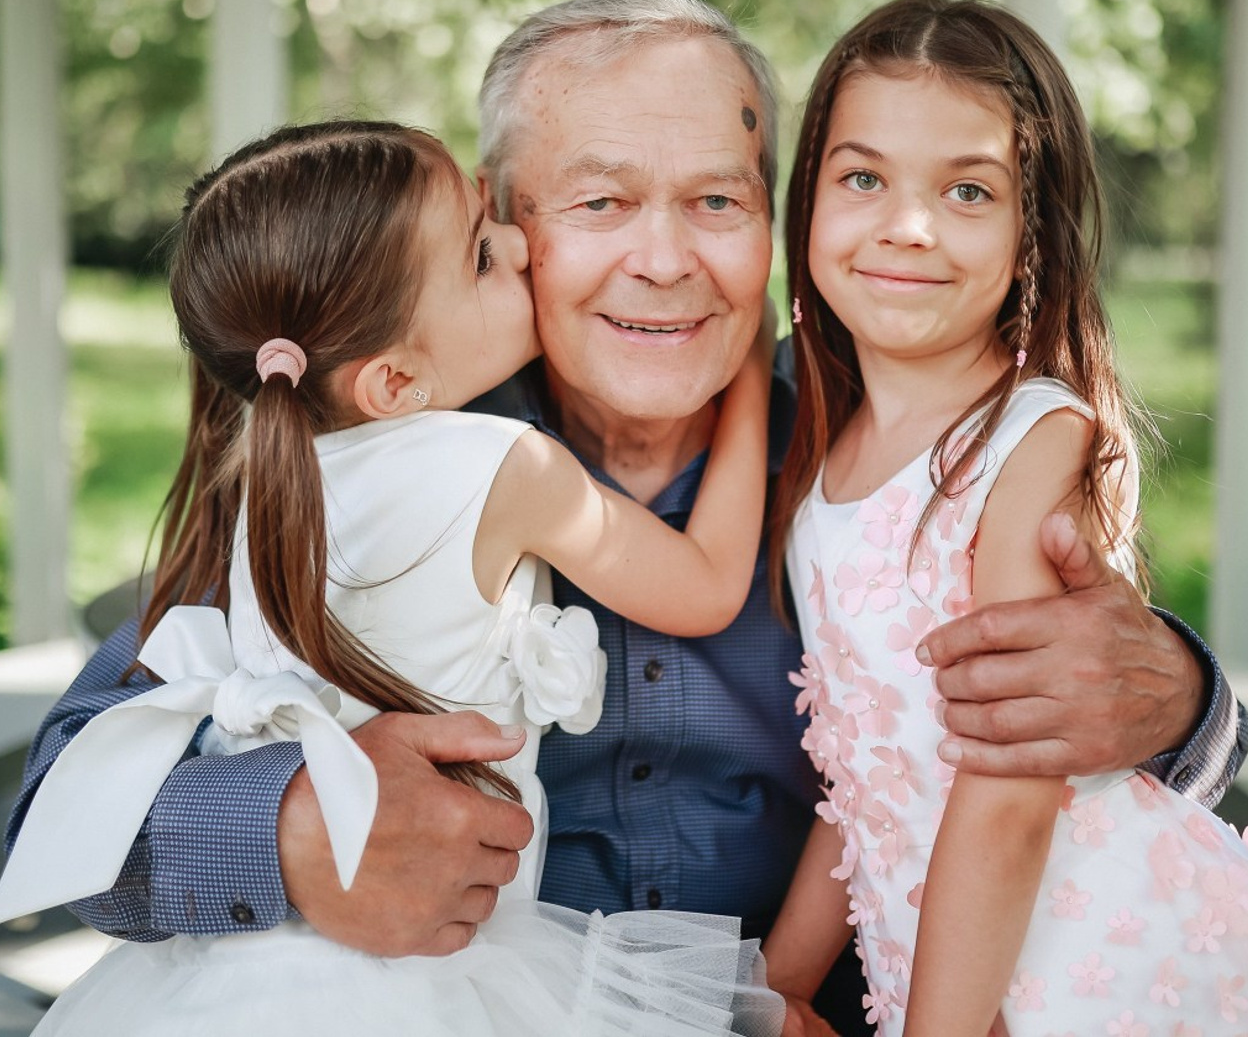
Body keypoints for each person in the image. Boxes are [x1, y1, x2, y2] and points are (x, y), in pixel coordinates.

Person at [6, 0, 1248, 1037]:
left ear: (776, 215)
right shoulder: (366, 454)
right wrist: (286, 835)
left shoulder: (875, 456)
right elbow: (59, 801)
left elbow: (1077, 764)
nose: (664, 259)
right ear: (499, 225)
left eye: (716, 199)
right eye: (600, 203)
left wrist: (1176, 701)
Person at [0, 121, 786, 1034]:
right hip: (454, 980)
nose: (521, 250)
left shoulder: (274, 463)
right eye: (592, 203)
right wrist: (749, 372)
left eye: (718, 200)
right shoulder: (505, 464)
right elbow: (66, 783)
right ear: (395, 379)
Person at [761, 0, 1248, 1036]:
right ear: (807, 201)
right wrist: (775, 977)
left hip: (1096, 960)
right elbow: (859, 760)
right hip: (956, 971)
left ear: (1027, 232)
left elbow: (1007, 791)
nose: (905, 225)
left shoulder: (1032, 439)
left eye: (965, 189)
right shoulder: (823, 454)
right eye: (861, 177)